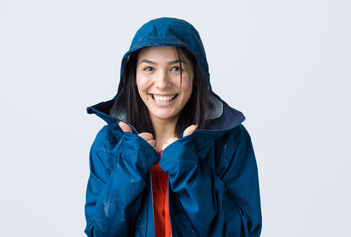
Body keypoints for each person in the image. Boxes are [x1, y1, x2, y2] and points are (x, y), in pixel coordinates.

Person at [84, 17, 262, 237]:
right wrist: (128, 170)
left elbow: (244, 233)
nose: (162, 83)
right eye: (149, 68)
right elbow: (99, 233)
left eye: (176, 69)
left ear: (197, 76)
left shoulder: (230, 141)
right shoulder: (109, 142)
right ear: (134, 77)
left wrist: (190, 172)